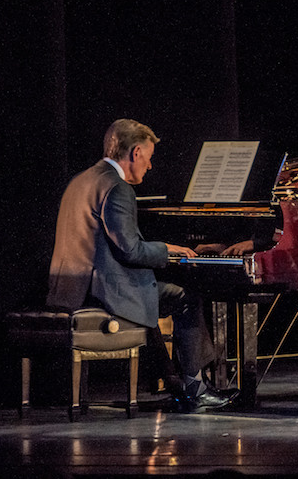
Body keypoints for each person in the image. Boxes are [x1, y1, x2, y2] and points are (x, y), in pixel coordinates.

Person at [46, 118, 236, 411]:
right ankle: (196, 390)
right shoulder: (117, 187)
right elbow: (131, 251)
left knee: (152, 296)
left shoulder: (80, 180)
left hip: (70, 289)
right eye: (148, 157)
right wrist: (167, 249)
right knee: (185, 298)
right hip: (104, 292)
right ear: (135, 152)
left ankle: (175, 383)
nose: (150, 165)